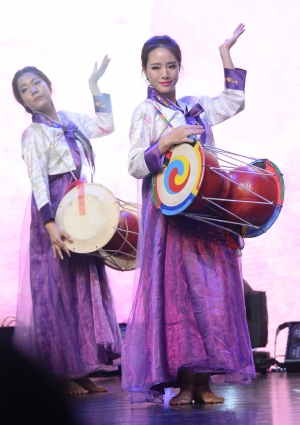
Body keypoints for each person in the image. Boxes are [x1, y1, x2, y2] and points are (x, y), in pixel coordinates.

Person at [121, 24, 256, 405]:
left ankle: (206, 383)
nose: (164, 74)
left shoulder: (195, 106)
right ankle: (184, 383)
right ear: (144, 71)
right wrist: (164, 142)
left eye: (171, 66)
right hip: (169, 223)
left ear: (180, 68)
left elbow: (233, 101)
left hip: (206, 219)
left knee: (210, 296)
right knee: (177, 299)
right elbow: (134, 163)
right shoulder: (145, 112)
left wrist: (225, 52)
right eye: (155, 67)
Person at [12, 56, 122, 394]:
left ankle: (81, 368)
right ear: (22, 102)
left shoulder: (71, 120)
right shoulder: (33, 133)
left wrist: (95, 87)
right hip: (54, 213)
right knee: (54, 291)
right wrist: (48, 225)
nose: (33, 92)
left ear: (48, 85)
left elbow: (107, 126)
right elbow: (38, 180)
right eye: (25, 91)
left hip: (80, 207)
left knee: (79, 288)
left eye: (36, 84)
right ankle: (60, 375)